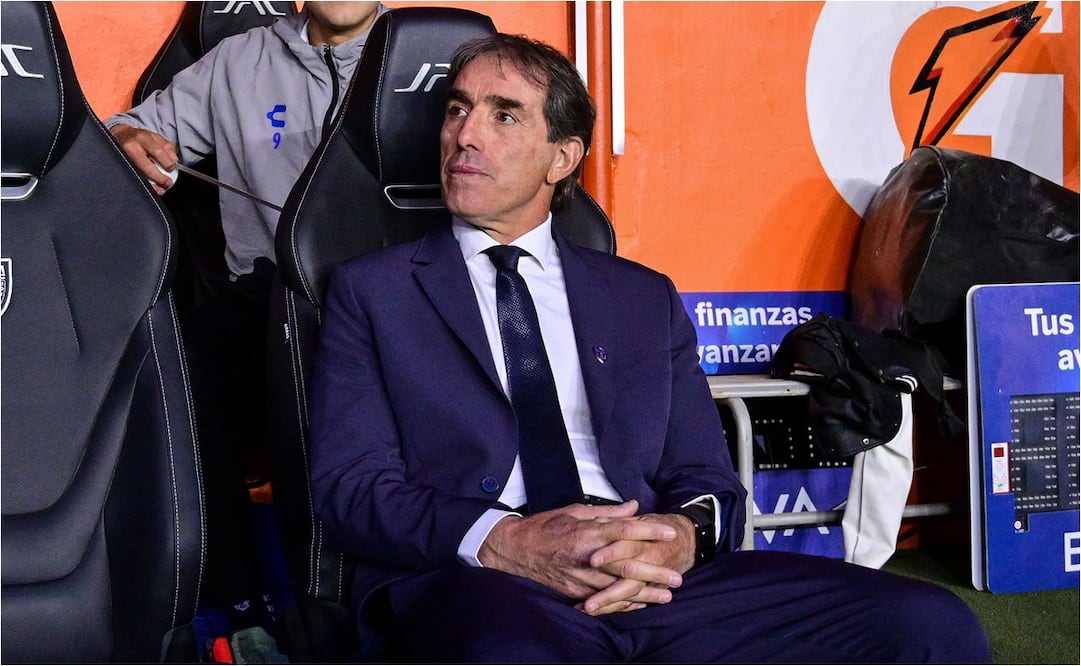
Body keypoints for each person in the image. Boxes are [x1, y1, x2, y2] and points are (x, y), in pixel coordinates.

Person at [308, 33, 993, 663]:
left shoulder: (641, 297)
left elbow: (709, 480)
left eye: (503, 114)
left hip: (652, 578)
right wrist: (504, 540)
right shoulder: (373, 292)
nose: (464, 135)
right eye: (457, 110)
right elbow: (353, 488)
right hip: (481, 579)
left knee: (930, 625)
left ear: (562, 157)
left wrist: (677, 538)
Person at [102, 0, 387, 637]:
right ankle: (242, 612)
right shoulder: (238, 60)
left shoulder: (426, 60)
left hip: (391, 305)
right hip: (263, 303)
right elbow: (123, 131)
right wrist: (128, 139)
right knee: (164, 364)